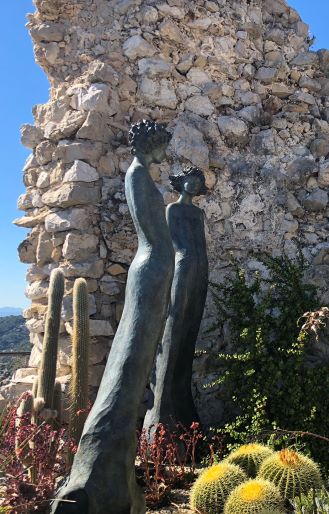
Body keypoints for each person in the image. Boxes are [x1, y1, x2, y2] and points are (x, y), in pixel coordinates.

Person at [53, 120, 174, 513]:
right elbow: (157, 238)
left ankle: (112, 476)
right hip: (152, 270)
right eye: (162, 147)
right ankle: (99, 476)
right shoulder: (139, 175)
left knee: (132, 367)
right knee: (129, 365)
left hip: (154, 270)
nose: (165, 155)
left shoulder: (139, 175)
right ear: (151, 145)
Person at [144, 166, 208, 439]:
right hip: (182, 269)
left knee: (189, 332)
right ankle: (161, 408)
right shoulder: (172, 210)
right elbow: (176, 246)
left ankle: (181, 402)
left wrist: (201, 267)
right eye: (190, 181)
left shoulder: (198, 213)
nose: (193, 186)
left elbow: (200, 246)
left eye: (198, 182)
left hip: (199, 270)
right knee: (173, 329)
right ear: (181, 183)